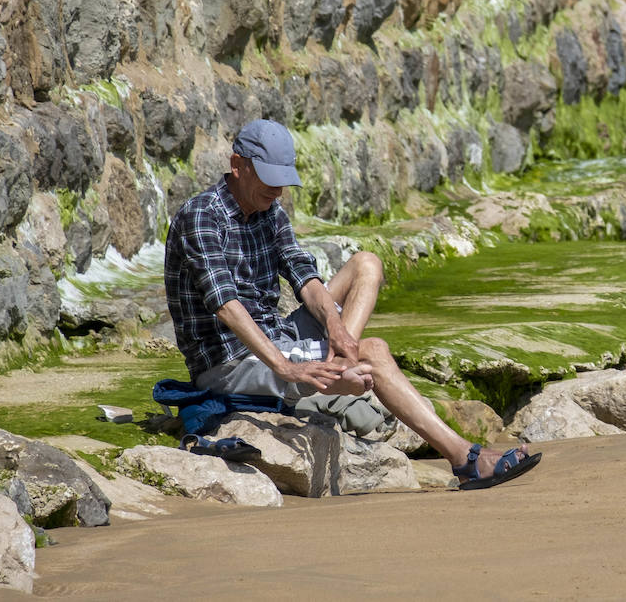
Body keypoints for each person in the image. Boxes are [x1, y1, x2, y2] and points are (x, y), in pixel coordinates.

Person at [163, 118, 541, 490]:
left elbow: (303, 276)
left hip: (278, 334)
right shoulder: (202, 216)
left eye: (282, 179)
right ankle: (465, 459)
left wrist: (336, 328)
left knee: (366, 264)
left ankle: (341, 359)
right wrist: (288, 369)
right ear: (237, 165)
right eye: (268, 177)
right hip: (230, 361)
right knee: (374, 351)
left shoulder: (269, 211)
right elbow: (225, 306)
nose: (277, 189)